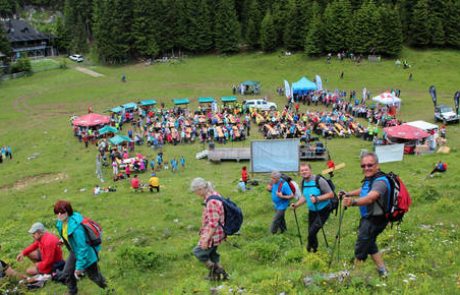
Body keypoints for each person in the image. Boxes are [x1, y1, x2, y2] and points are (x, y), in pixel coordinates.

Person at [342, 152, 390, 277]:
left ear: (377, 165)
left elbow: (370, 198)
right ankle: (383, 270)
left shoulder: (380, 182)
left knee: (361, 246)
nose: (366, 168)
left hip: (375, 220)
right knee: (370, 243)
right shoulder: (371, 178)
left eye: (370, 165)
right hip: (368, 218)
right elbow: (363, 189)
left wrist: (352, 202)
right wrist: (348, 193)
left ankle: (355, 276)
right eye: (363, 166)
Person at [54, 200, 107, 294]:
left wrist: (79, 268)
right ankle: (72, 292)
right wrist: (63, 240)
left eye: (62, 212)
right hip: (75, 251)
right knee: (67, 273)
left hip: (87, 254)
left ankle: (110, 290)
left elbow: (83, 249)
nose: (59, 215)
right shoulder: (61, 223)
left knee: (94, 276)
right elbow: (67, 233)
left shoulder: (77, 229)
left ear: (68, 212)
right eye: (56, 212)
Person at [190, 178, 228, 281]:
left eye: (196, 191)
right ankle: (217, 277)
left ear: (201, 188)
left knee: (198, 252)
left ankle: (218, 271)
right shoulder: (214, 194)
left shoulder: (211, 201)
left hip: (214, 234)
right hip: (218, 232)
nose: (196, 194)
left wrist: (206, 239)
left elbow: (213, 223)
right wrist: (203, 228)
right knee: (212, 255)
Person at [291, 163, 334, 252]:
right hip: (312, 211)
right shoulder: (303, 182)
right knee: (311, 231)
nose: (304, 172)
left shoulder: (319, 180)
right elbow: (304, 196)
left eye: (306, 170)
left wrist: (317, 198)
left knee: (312, 232)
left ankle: (309, 249)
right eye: (302, 170)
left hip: (323, 210)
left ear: (310, 170)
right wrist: (297, 205)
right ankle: (314, 249)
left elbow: (331, 194)